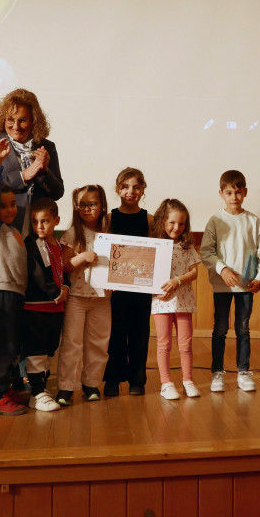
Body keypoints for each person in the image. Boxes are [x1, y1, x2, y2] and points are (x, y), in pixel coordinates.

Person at [199, 170, 260, 393]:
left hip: (246, 286)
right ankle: (217, 372)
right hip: (222, 286)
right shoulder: (216, 220)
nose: (234, 197)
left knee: (243, 329)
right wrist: (223, 269)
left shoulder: (253, 221)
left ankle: (243, 371)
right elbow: (206, 252)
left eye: (238, 192)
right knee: (220, 329)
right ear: (221, 193)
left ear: (245, 192)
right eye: (229, 192)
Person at [0, 138, 30, 416]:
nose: (10, 210)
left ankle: (7, 387)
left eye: (13, 204)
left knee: (12, 344)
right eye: (3, 206)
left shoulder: (14, 231)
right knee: (1, 346)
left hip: (16, 293)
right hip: (2, 293)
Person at [0, 88, 64, 233]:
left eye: (22, 120)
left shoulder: (47, 146)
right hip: (4, 229)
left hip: (39, 230)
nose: (15, 127)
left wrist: (43, 172)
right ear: (3, 119)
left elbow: (57, 193)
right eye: (10, 119)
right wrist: (22, 177)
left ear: (34, 121)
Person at [57, 184, 111, 406]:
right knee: (72, 343)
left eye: (92, 204)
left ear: (102, 205)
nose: (87, 209)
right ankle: (65, 387)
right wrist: (82, 257)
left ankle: (91, 384)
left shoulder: (109, 234)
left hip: (102, 298)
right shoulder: (72, 233)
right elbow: (64, 266)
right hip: (77, 298)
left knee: (98, 342)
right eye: (82, 205)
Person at [103, 167, 155, 397]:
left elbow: (156, 253)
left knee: (139, 334)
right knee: (114, 334)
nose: (131, 191)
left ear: (143, 189)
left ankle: (137, 380)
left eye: (136, 186)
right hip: (115, 289)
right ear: (118, 189)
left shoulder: (150, 219)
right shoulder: (110, 218)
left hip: (141, 289)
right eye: (125, 187)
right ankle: (112, 379)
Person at [151, 199, 201, 400]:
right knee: (164, 344)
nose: (176, 228)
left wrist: (177, 281)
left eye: (181, 224)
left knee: (185, 343)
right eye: (172, 223)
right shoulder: (154, 245)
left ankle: (188, 380)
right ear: (163, 221)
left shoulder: (187, 247)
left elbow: (195, 272)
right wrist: (155, 291)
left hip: (184, 301)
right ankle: (166, 383)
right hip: (161, 302)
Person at [23, 197, 69, 411]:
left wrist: (65, 288)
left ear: (56, 221)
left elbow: (62, 271)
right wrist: (56, 292)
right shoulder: (31, 244)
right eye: (34, 222)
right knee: (36, 351)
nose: (39, 226)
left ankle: (42, 387)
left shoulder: (59, 245)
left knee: (51, 349)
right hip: (35, 307)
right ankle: (37, 392)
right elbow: (38, 274)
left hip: (56, 307)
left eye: (45, 221)